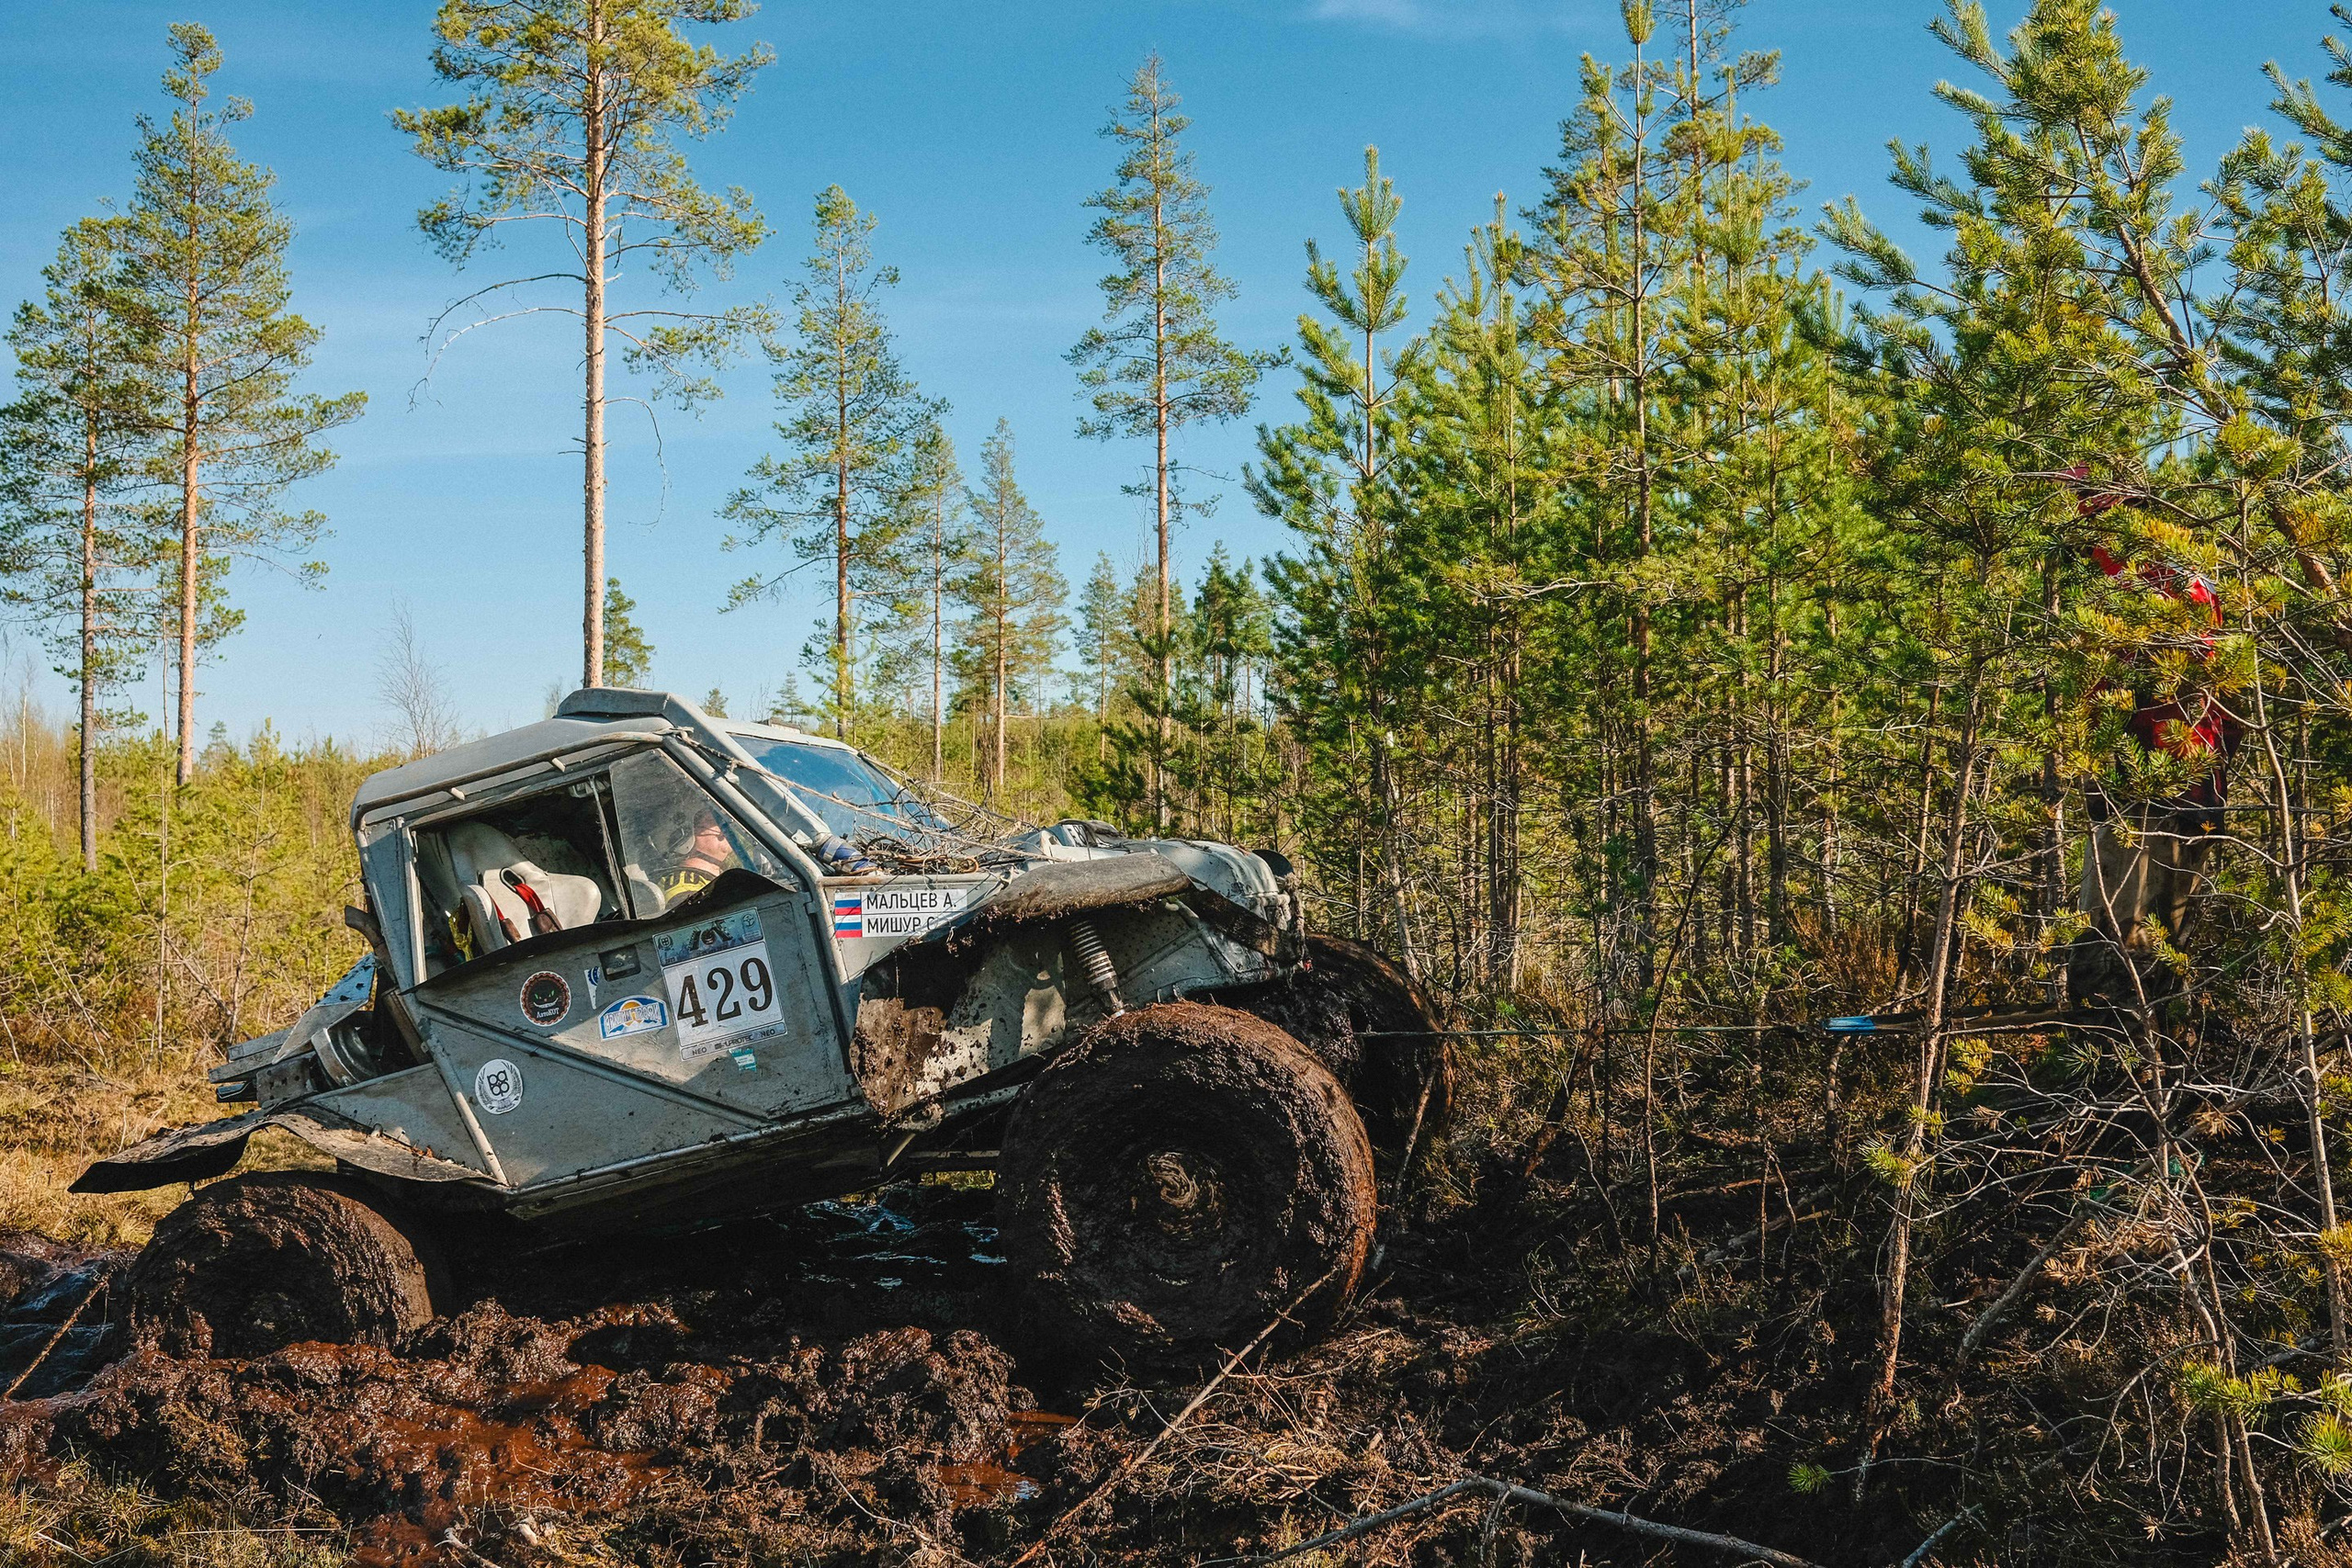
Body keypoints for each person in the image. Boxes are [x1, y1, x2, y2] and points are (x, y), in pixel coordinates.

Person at [2068, 472, 2245, 1006]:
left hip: (2152, 789)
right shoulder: (2189, 581)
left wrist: (2101, 762)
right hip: (2193, 787)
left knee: (2119, 937)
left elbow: (2134, 688)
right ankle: (2162, 1036)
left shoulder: (2156, 589)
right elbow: (2226, 698)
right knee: (2165, 943)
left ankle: (2112, 1040)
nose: (2090, 544)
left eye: (2095, 523)